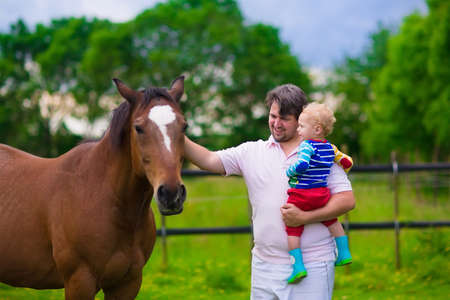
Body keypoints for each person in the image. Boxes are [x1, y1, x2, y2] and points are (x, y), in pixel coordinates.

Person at [184, 83, 355, 300]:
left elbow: (347, 200)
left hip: (314, 265)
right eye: (273, 116)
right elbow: (209, 159)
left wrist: (305, 217)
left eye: (284, 118)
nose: (276, 123)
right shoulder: (251, 152)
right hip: (264, 265)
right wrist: (176, 136)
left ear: (300, 118)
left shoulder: (320, 153)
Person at [285, 103, 353, 284]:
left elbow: (302, 164)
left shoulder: (306, 146)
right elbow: (346, 161)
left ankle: (298, 266)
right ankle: (344, 253)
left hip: (301, 195)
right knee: (331, 220)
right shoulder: (331, 148)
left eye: (301, 126)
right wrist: (345, 168)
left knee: (292, 228)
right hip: (322, 194)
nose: (298, 130)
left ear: (316, 129)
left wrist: (290, 172)